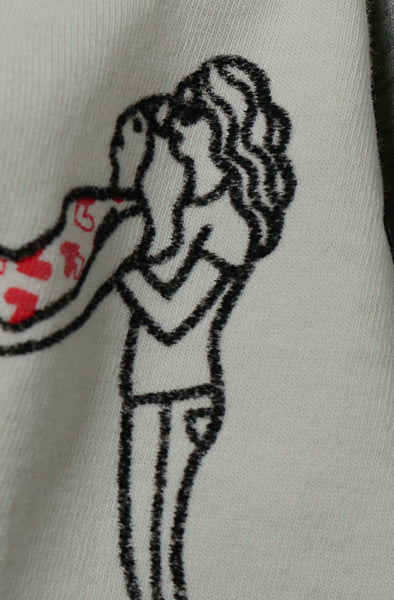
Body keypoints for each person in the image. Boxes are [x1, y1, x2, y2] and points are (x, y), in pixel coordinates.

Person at [0, 55, 296, 600]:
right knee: (143, 560)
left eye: (192, 112)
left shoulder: (229, 220)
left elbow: (171, 315)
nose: (177, 123)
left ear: (224, 125)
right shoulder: (189, 207)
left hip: (178, 398)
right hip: (152, 394)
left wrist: (118, 263)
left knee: (152, 562)